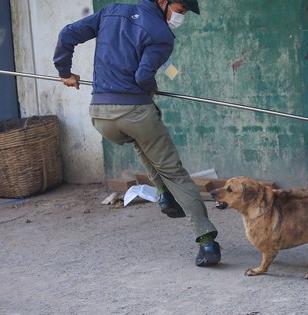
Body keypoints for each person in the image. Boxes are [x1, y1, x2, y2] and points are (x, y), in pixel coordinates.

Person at [53, 0, 221, 267]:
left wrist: (65, 71)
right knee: (175, 171)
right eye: (180, 10)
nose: (181, 16)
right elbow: (143, 76)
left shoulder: (111, 11)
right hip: (135, 113)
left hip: (100, 115)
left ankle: (164, 193)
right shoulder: (162, 35)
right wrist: (151, 87)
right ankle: (207, 242)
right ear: (163, 2)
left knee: (141, 142)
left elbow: (67, 34)